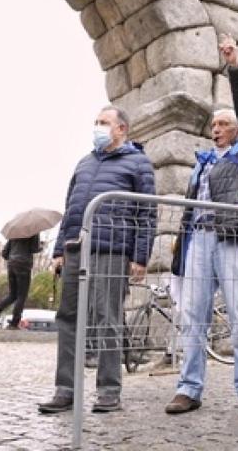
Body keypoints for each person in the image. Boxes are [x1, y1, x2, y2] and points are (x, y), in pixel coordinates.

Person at [166, 34, 238, 416]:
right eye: (213, 125)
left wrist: (234, 65)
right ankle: (188, 387)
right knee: (192, 314)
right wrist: (180, 247)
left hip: (236, 237)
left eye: (224, 123)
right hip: (200, 240)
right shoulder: (203, 162)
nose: (216, 129)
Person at [37, 105, 156, 415]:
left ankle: (108, 390)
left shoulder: (138, 163)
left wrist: (140, 256)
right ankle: (65, 389)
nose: (97, 127)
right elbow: (71, 208)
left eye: (104, 122)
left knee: (108, 318)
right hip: (77, 248)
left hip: (113, 250)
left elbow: (147, 214)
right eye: (96, 122)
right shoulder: (84, 163)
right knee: (69, 318)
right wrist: (60, 249)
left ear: (121, 129)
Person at [0, 235, 42, 329]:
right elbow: (34, 248)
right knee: (21, 295)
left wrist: (13, 258)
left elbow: (4, 253)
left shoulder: (15, 232)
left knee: (12, 295)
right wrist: (40, 246)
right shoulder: (33, 231)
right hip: (24, 264)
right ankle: (14, 323)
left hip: (11, 264)